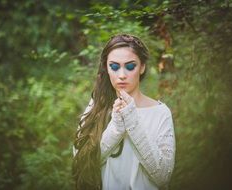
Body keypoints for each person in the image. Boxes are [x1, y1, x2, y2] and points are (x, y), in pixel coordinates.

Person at [72, 34, 176, 190]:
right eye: (114, 67)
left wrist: (132, 121)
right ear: (106, 68)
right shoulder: (96, 107)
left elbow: (163, 176)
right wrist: (116, 127)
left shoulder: (160, 113)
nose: (121, 75)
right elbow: (81, 164)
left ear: (142, 67)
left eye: (130, 66)